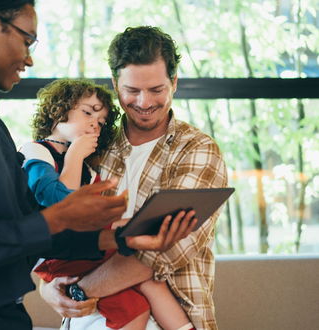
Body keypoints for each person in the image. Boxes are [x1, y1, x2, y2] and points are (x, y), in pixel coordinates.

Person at [0, 1, 197, 328]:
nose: (29, 58)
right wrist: (60, 215)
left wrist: (119, 240)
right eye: (27, 40)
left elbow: (21, 227)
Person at [39, 26, 228, 330]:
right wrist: (48, 287)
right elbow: (58, 231)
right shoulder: (93, 148)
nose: (143, 102)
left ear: (174, 83)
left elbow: (159, 254)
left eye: (156, 90)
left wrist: (78, 289)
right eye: (132, 90)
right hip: (85, 322)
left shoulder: (197, 150)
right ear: (115, 84)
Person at [21, 78, 193, 330]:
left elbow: (94, 218)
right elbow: (60, 206)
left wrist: (128, 225)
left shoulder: (89, 171)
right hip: (58, 254)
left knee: (144, 288)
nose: (94, 123)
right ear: (58, 110)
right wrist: (75, 156)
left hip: (88, 249)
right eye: (87, 112)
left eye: (100, 122)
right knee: (137, 293)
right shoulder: (36, 151)